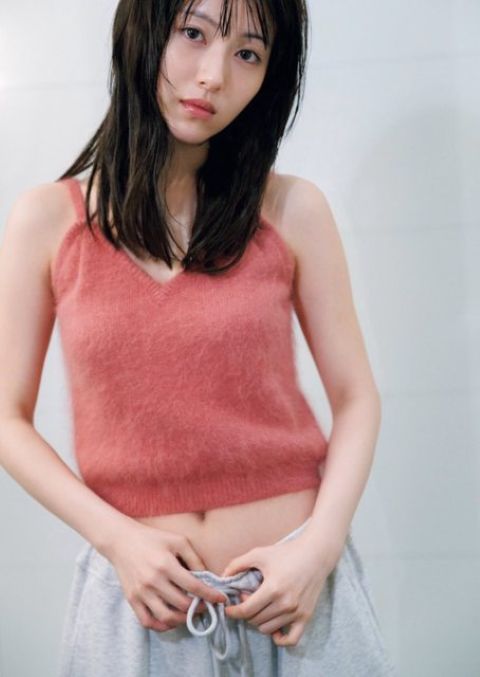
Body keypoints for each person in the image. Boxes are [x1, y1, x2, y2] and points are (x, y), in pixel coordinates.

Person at [0, 0, 398, 675]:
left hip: (294, 603)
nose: (214, 75)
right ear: (144, 30)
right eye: (193, 34)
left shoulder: (292, 209)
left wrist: (319, 550)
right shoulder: (48, 220)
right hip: (141, 606)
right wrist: (117, 539)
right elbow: (7, 416)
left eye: (248, 53)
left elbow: (357, 397)